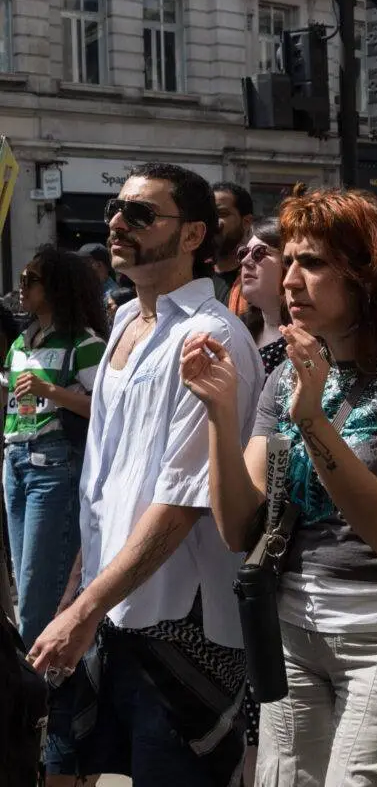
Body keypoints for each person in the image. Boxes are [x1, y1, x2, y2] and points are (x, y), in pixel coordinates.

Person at [181, 188, 377, 785]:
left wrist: (313, 422)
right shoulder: (285, 374)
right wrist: (218, 411)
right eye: (291, 262)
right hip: (290, 637)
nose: (289, 280)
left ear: (364, 273)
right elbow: (238, 528)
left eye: (313, 263)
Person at [28, 163, 264, 786]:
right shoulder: (128, 322)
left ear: (191, 236)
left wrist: (84, 610)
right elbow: (104, 486)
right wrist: (80, 591)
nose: (117, 222)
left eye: (140, 214)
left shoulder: (212, 336)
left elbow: (183, 502)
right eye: (117, 208)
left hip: (179, 617)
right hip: (113, 607)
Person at [3, 248, 107, 649]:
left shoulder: (84, 343)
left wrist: (52, 391)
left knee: (36, 591)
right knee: (25, 578)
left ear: (57, 287)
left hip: (54, 466)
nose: (22, 288)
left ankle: (38, 693)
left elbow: (107, 408)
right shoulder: (22, 341)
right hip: (15, 462)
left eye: (31, 280)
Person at [236, 216, 291, 375]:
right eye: (243, 253)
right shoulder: (238, 328)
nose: (245, 261)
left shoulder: (310, 342)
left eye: (259, 252)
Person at [211, 181, 255, 310]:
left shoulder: (257, 278)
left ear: (246, 222)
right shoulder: (193, 275)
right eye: (209, 215)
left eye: (222, 214)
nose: (213, 223)